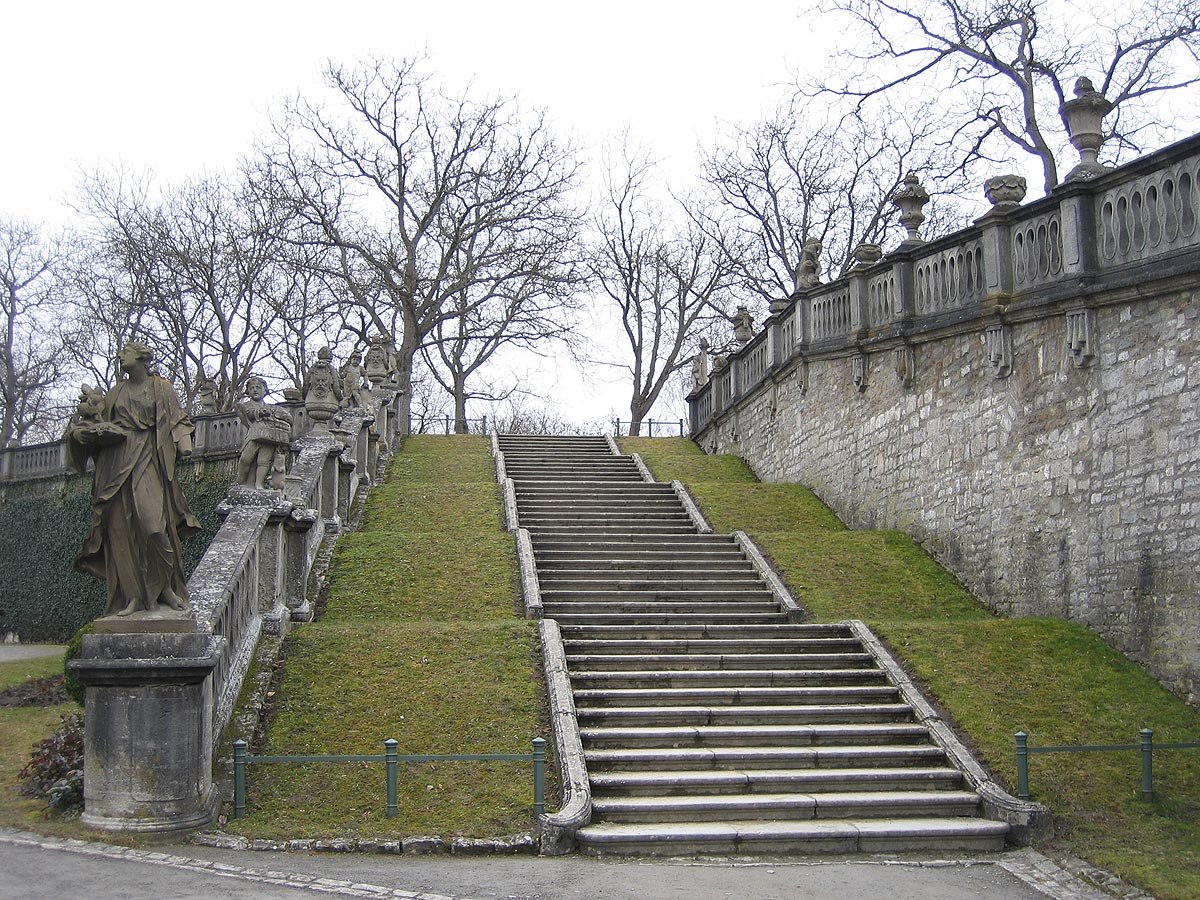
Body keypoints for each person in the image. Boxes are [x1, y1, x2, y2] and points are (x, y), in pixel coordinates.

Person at [66, 341, 201, 617]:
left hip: (148, 458)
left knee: (153, 526)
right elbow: (94, 422)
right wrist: (83, 433)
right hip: (115, 465)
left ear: (142, 358)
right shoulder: (116, 392)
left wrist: (184, 444)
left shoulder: (162, 388)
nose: (119, 355)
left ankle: (164, 587)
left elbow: (178, 420)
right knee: (120, 533)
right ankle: (133, 597)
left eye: (125, 352)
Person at [235, 376, 293, 489]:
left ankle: (258, 484)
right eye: (251, 388)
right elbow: (249, 413)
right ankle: (241, 482)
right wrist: (260, 412)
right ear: (248, 392)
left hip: (270, 436)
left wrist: (278, 416)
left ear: (265, 390)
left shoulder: (272, 408)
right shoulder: (245, 405)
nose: (255, 390)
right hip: (253, 436)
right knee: (245, 459)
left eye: (258, 387)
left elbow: (288, 418)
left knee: (263, 461)